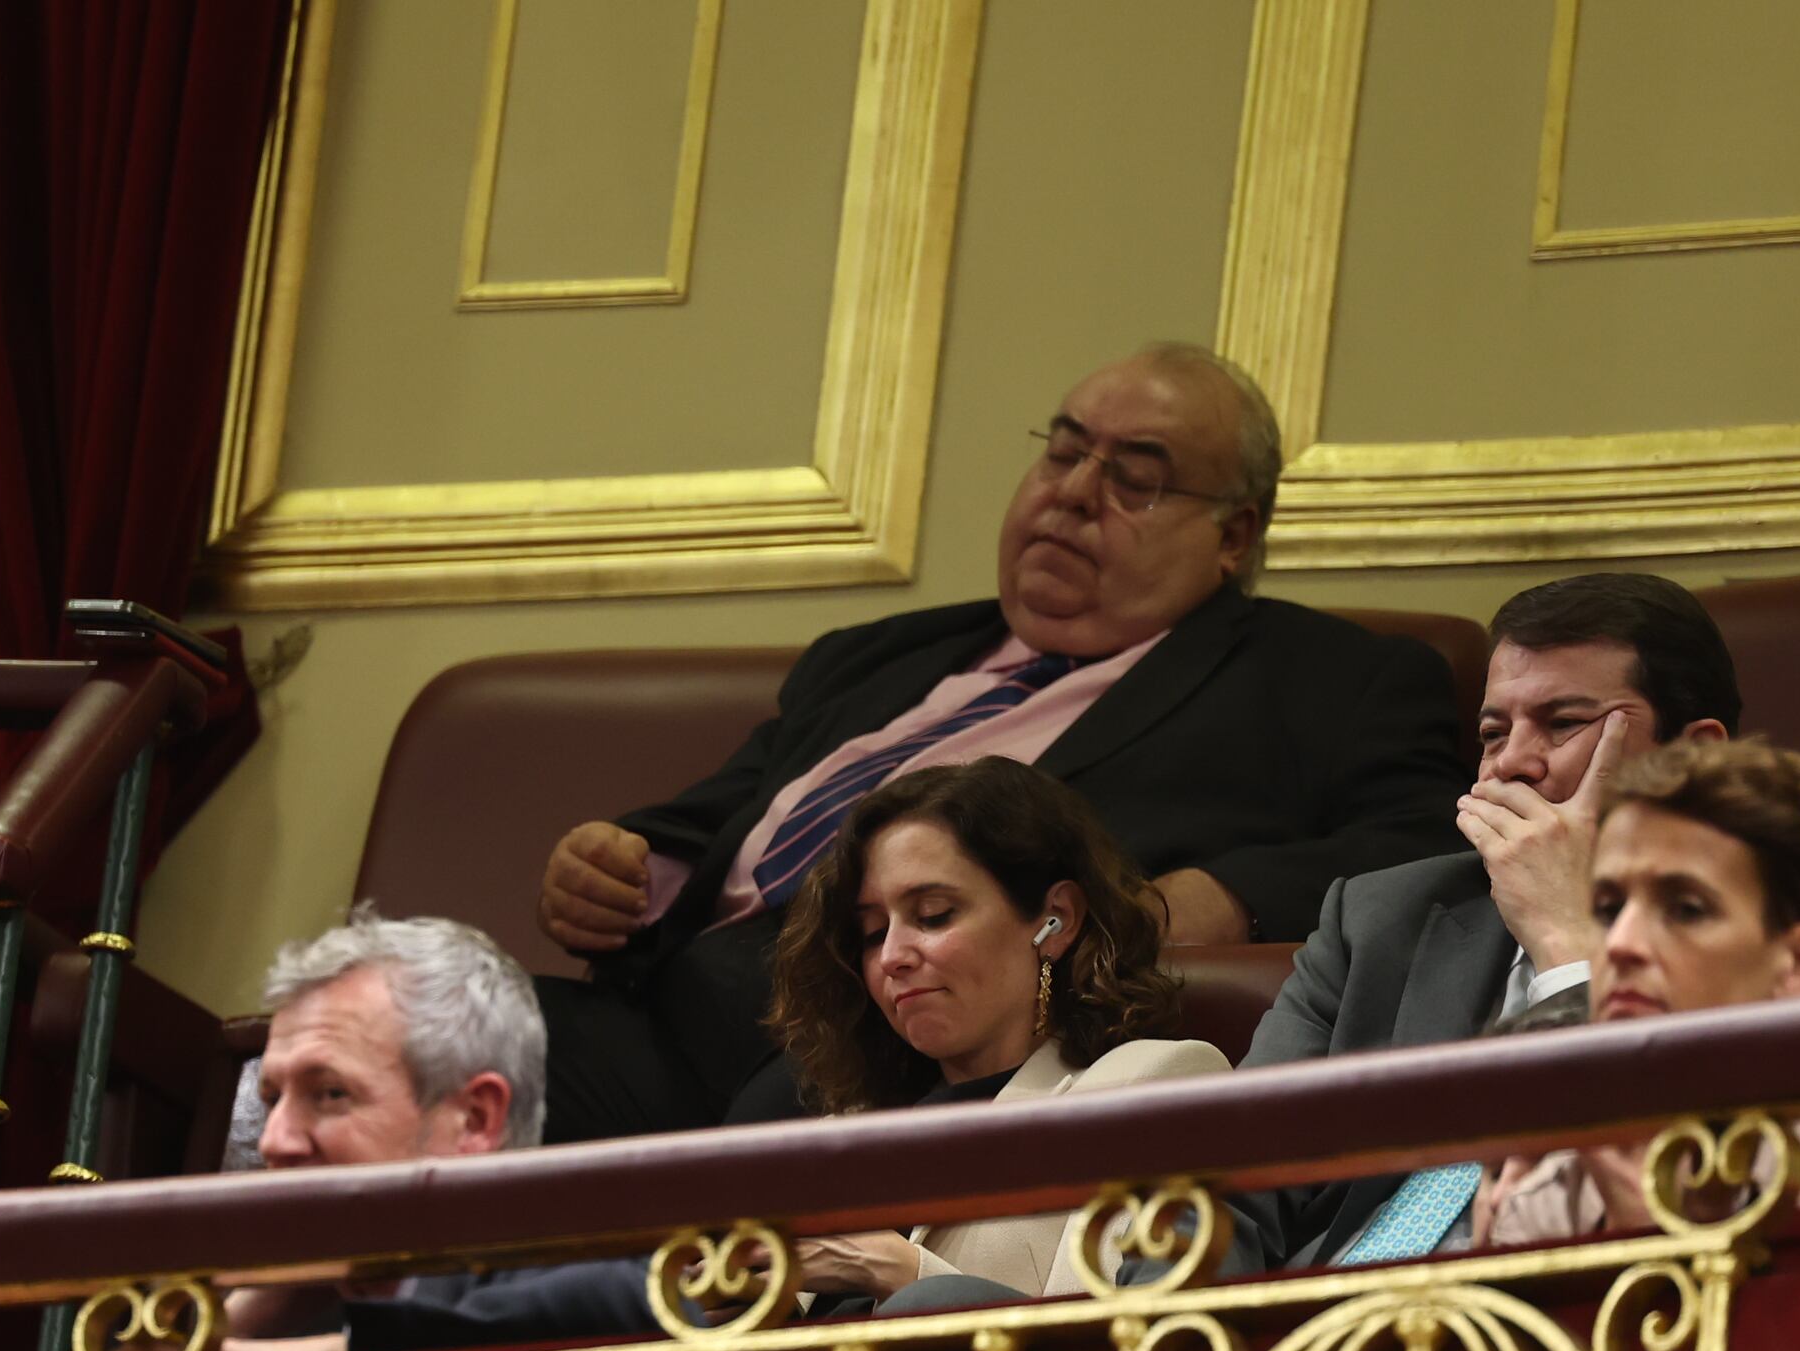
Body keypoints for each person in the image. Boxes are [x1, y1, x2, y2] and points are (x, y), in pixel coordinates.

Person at [531, 343, 1467, 1143]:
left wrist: (1231, 898)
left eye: (1134, 478)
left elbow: (1431, 837)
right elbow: (725, 815)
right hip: (657, 1014)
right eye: (1063, 454)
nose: (1073, 494)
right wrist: (622, 863)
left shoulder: (1329, 681)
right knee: (423, 1022)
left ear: (1235, 534)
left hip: (877, 1044)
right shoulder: (876, 656)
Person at [1226, 572, 1800, 1273]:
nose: (1512, 761)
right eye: (1493, 732)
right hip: (1313, 1334)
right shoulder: (1379, 920)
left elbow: (1699, 1221)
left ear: (1693, 758)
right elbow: (1225, 1179)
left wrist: (1571, 953)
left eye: (1564, 723)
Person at [762, 758, 1229, 1310]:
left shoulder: (1153, 1089)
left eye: (933, 915)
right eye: (871, 932)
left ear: (1056, 919)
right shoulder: (849, 1133)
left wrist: (904, 1274)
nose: (891, 957)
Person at [1472, 738, 1800, 1247]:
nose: (1621, 945)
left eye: (1686, 909)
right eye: (1607, 909)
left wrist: (1651, 1239)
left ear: (1799, 964)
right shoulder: (1556, 1178)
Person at [207, 910, 663, 1351]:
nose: (274, 1141)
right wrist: (238, 1322)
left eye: (330, 1093)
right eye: (271, 1098)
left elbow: (630, 1305)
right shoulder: (285, 1320)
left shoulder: (594, 1300)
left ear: (473, 1120)